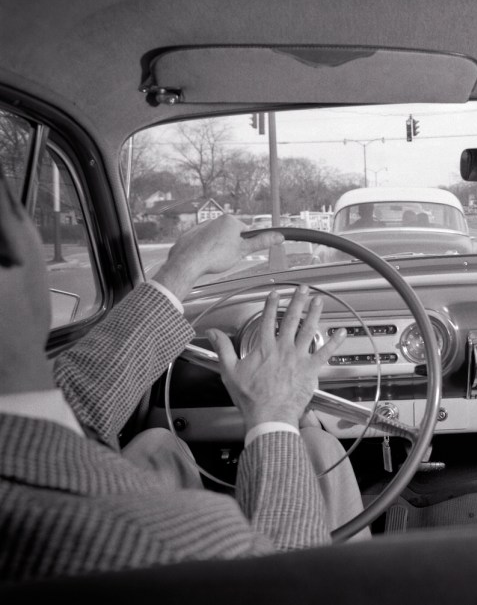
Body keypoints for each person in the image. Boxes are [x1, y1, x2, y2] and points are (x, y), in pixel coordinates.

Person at [0, 172, 364, 583]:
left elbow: (74, 405)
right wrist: (276, 413)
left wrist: (185, 266)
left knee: (157, 443)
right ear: (14, 239)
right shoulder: (167, 541)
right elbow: (287, 586)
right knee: (318, 447)